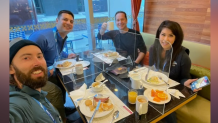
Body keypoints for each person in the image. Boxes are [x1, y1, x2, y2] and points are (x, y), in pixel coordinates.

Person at [149, 20, 202, 123]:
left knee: (167, 110)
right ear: (158, 35)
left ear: (176, 38)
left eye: (171, 35)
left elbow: (184, 78)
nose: (165, 39)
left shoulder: (183, 57)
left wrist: (185, 82)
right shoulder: (153, 49)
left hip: (171, 90)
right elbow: (152, 68)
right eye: (163, 34)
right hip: (155, 84)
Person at [28, 10, 76, 116]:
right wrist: (48, 72)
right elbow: (28, 62)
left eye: (71, 21)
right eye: (65, 19)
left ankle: (61, 109)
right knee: (55, 91)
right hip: (32, 78)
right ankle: (61, 119)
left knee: (64, 81)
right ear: (57, 20)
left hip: (48, 71)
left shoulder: (61, 36)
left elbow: (54, 51)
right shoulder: (42, 37)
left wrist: (66, 56)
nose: (68, 23)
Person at [9, 39, 64, 123]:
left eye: (39, 56)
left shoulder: (37, 94)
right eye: (26, 58)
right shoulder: (16, 104)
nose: (38, 62)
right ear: (10, 68)